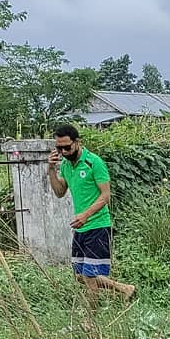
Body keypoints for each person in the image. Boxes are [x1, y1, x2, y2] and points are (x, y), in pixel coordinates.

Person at [49, 124, 135, 301]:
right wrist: (51, 169)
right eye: (59, 148)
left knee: (89, 278)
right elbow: (59, 192)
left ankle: (90, 323)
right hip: (80, 228)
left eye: (67, 147)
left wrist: (86, 215)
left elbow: (106, 196)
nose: (63, 151)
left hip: (97, 225)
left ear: (77, 142)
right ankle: (124, 288)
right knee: (79, 276)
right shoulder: (65, 165)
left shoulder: (94, 162)